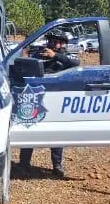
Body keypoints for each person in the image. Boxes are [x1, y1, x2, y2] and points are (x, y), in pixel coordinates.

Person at [18, 29, 80, 179]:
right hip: (37, 96)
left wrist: (55, 56)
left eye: (56, 41)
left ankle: (57, 165)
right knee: (30, 128)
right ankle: (24, 164)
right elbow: (23, 65)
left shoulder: (67, 55)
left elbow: (76, 63)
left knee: (57, 132)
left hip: (57, 97)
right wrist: (26, 55)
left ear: (63, 43)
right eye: (51, 41)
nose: (53, 44)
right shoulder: (40, 53)